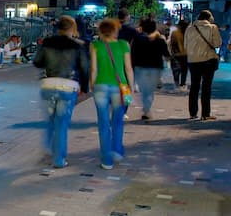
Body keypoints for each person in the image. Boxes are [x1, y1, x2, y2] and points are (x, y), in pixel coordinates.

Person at [33, 15, 90, 169]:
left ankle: (48, 147)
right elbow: (85, 68)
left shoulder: (48, 42)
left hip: (48, 85)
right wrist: (84, 88)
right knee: (62, 123)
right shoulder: (78, 46)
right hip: (68, 86)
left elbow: (37, 62)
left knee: (50, 119)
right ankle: (59, 159)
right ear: (72, 29)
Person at [90, 18, 134, 170]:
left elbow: (94, 69)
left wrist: (92, 85)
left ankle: (106, 160)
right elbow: (128, 68)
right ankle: (117, 151)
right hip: (119, 87)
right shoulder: (123, 45)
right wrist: (131, 87)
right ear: (115, 30)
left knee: (103, 124)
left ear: (101, 31)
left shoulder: (95, 46)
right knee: (118, 120)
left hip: (100, 86)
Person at [185, 10, 222, 120]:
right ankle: (205, 114)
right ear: (209, 18)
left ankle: (192, 113)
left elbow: (186, 45)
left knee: (194, 87)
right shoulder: (212, 27)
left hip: (193, 61)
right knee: (206, 88)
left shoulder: (190, 28)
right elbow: (217, 44)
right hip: (208, 60)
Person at [130, 19, 170, 121]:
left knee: (144, 91)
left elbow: (132, 55)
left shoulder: (137, 40)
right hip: (155, 68)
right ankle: (146, 109)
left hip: (140, 68)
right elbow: (166, 55)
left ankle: (146, 110)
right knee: (150, 91)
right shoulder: (160, 40)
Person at [169, 20, 189, 89]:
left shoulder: (175, 33)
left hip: (176, 55)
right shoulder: (188, 33)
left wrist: (171, 53)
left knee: (176, 71)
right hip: (186, 55)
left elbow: (171, 44)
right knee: (184, 70)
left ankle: (176, 84)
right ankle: (182, 84)